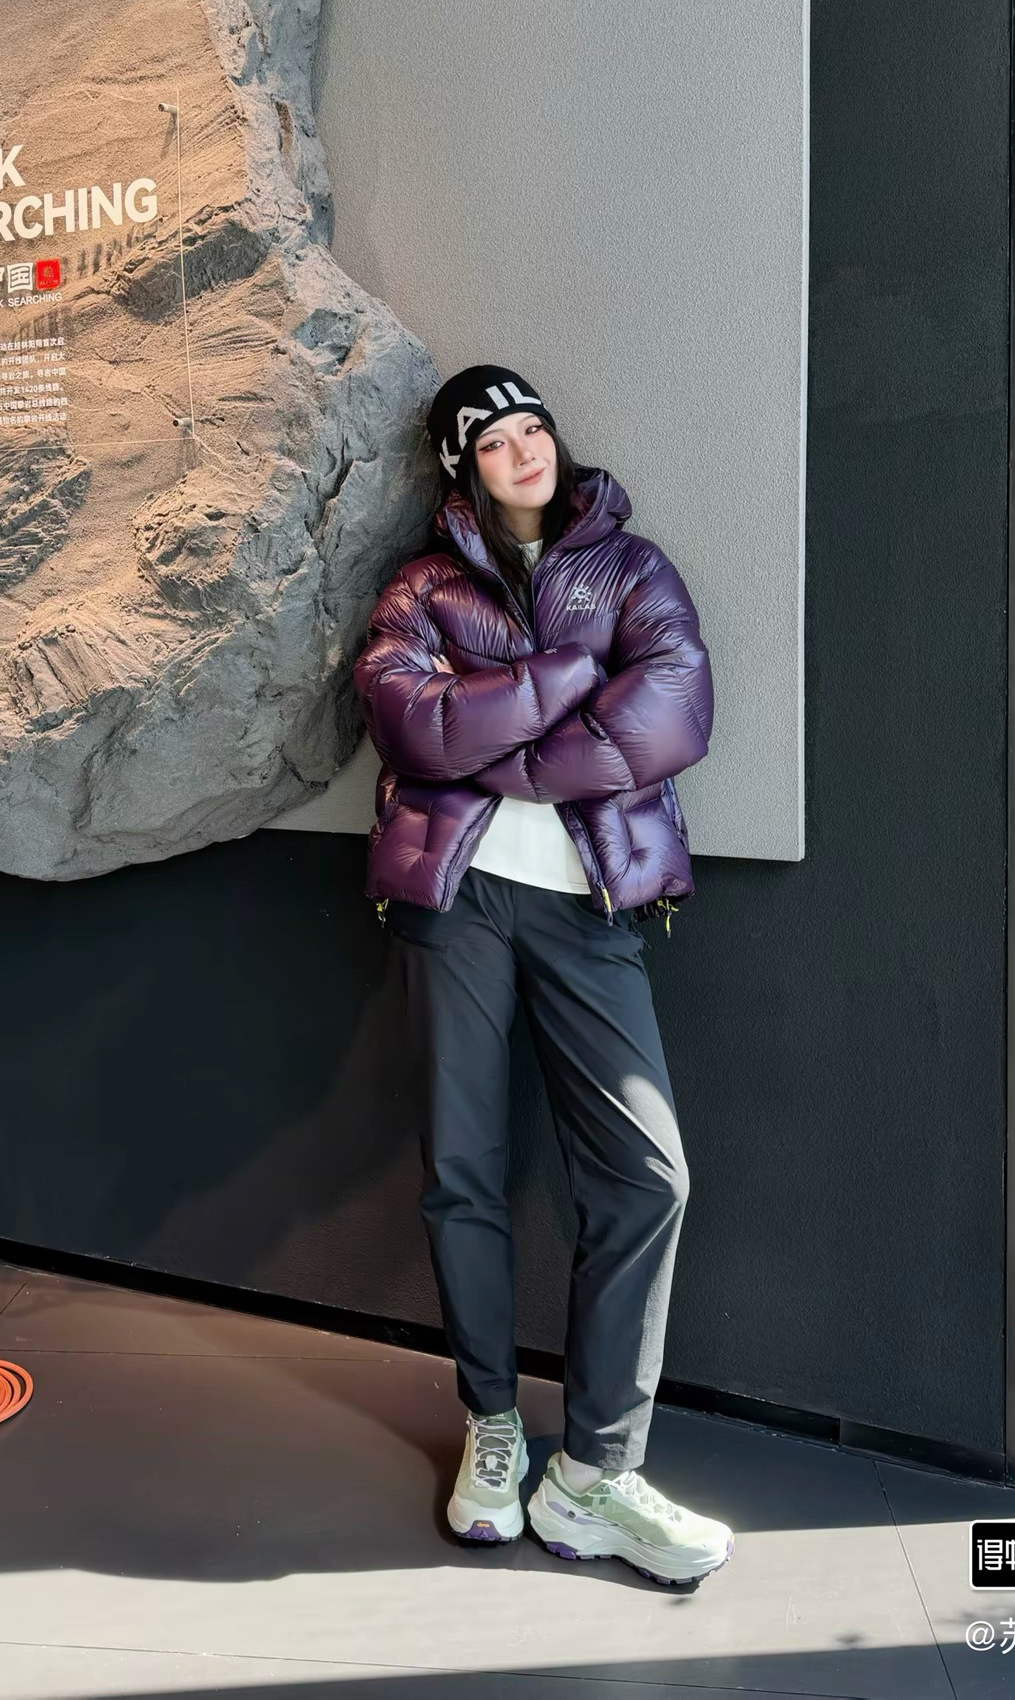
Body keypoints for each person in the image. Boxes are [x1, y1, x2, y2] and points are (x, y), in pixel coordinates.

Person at [351, 364, 733, 1586]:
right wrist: (569, 673)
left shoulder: (631, 568)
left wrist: (498, 741)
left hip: (587, 909)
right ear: (458, 466)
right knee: (460, 1173)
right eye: (494, 439)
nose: (524, 448)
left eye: (533, 426)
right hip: (452, 904)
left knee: (647, 1177)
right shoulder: (419, 588)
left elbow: (670, 713)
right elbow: (412, 726)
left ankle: (595, 1474)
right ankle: (492, 1425)